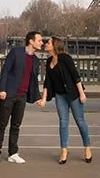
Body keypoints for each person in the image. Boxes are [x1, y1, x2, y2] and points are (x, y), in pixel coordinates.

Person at [0, 31, 44, 164]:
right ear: (31, 41)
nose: (41, 43)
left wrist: (37, 97)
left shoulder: (36, 60)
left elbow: (33, 80)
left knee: (16, 125)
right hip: (9, 93)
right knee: (2, 123)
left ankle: (13, 153)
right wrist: (2, 89)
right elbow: (6, 70)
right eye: (39, 40)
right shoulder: (16, 52)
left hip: (22, 96)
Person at [40, 36, 92, 164]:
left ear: (55, 45)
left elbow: (75, 76)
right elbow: (48, 81)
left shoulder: (65, 58)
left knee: (80, 121)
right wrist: (43, 99)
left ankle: (87, 147)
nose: (45, 44)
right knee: (63, 122)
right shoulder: (48, 61)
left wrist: (82, 94)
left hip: (73, 94)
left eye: (48, 42)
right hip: (60, 95)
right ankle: (64, 150)